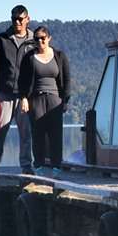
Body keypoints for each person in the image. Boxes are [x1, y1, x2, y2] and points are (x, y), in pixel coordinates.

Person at [0, 5, 34, 172]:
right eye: (14, 19)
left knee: (26, 133)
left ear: (28, 19)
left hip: (25, 96)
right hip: (5, 93)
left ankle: (26, 165)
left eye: (20, 19)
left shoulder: (34, 41)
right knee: (0, 131)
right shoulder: (2, 39)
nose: (17, 22)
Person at [24, 25, 71, 172]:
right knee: (37, 133)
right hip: (36, 99)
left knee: (55, 134)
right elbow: (22, 80)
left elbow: (67, 79)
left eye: (42, 38)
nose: (40, 41)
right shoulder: (29, 57)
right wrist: (23, 98)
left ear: (49, 38)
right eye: (36, 39)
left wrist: (65, 101)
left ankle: (56, 166)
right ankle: (38, 165)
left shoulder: (59, 56)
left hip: (54, 99)